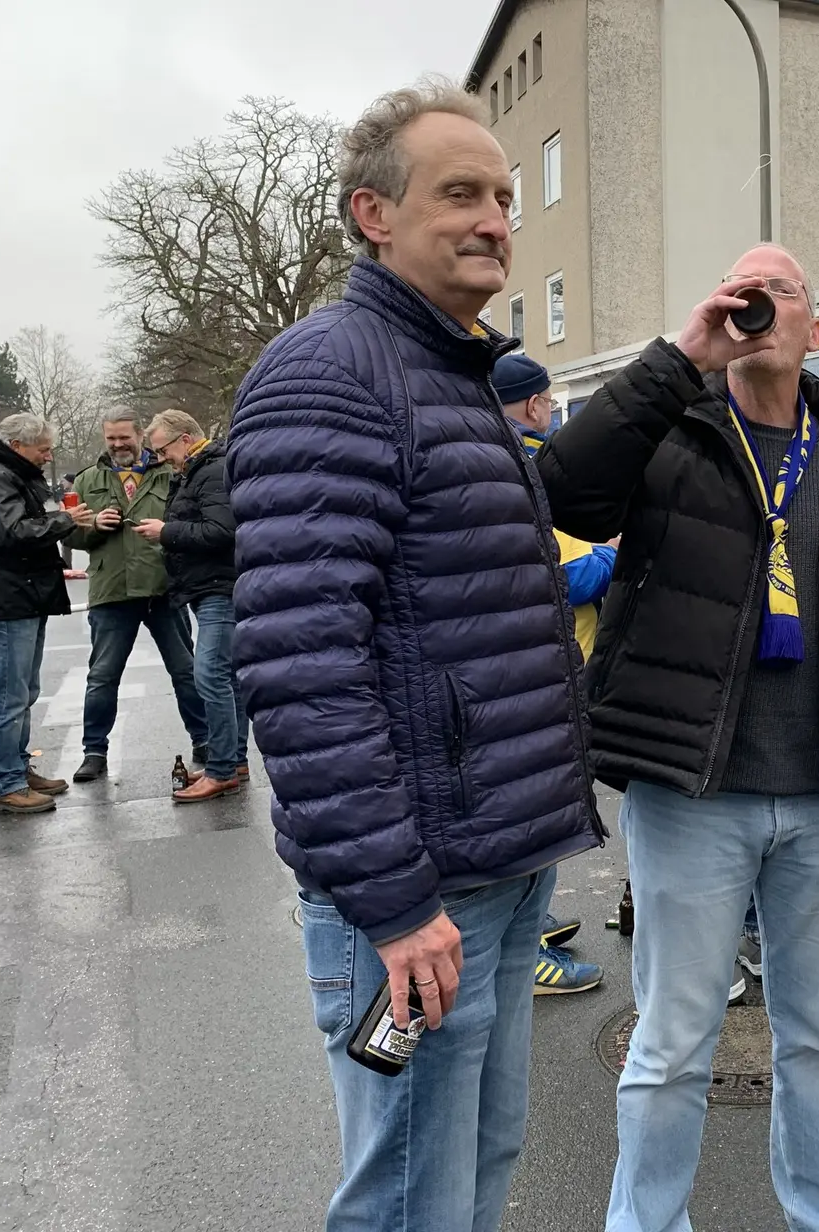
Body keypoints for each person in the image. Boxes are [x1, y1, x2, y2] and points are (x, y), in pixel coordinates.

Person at [224, 80, 603, 1232]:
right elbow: (300, 663)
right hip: (417, 889)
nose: (496, 216)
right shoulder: (331, 369)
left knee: (472, 1170)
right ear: (372, 214)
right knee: (406, 1199)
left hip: (493, 863)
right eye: (460, 193)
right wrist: (393, 902)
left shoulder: (457, 372)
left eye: (501, 194)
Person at [536, 242, 819, 1232]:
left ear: (818, 328)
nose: (760, 308)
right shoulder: (670, 431)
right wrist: (682, 354)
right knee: (673, 1040)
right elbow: (561, 490)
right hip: (693, 793)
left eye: (782, 294)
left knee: (818, 1039)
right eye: (743, 290)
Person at [494, 351, 608, 997]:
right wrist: (611, 557)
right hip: (541, 672)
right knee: (536, 807)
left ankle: (531, 919)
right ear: (537, 404)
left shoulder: (513, 457)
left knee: (542, 804)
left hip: (538, 667)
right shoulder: (526, 466)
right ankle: (528, 944)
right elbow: (556, 578)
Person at [0, 413, 94, 812]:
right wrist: (64, 519)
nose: (48, 455)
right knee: (10, 695)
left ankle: (16, 771)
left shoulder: (0, 473)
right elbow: (14, 532)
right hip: (8, 596)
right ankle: (5, 783)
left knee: (23, 691)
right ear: (18, 446)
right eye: (43, 448)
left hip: (18, 594)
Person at [66, 410, 208, 782]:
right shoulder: (87, 480)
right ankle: (94, 751)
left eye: (124, 437)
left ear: (140, 434)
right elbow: (70, 535)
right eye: (111, 438)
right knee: (102, 676)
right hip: (112, 591)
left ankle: (205, 741)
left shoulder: (170, 474)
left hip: (163, 588)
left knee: (186, 671)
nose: (117, 445)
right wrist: (93, 526)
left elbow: (190, 522)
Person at [135, 410, 246, 802]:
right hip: (208, 587)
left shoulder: (210, 471)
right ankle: (235, 761)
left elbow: (222, 531)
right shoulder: (196, 471)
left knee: (210, 676)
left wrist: (166, 532)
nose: (160, 458)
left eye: (162, 449)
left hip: (218, 588)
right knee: (227, 677)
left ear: (185, 439)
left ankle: (221, 771)